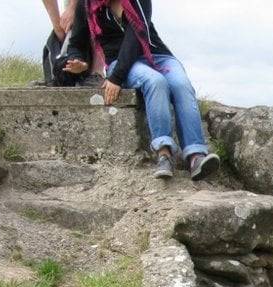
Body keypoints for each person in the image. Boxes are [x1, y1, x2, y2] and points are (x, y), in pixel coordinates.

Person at [64, 0, 220, 181]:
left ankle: (196, 157)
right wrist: (79, 62)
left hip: (157, 55)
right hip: (119, 62)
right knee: (155, 81)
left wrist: (116, 78)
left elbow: (137, 35)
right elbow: (76, 42)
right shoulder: (87, 5)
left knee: (181, 85)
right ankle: (163, 154)